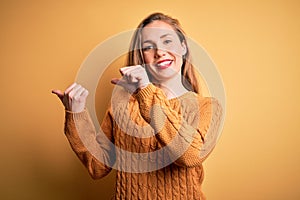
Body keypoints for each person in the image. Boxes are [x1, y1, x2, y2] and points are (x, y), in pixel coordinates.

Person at [52, 12, 222, 200]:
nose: (159, 52)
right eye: (149, 47)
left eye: (167, 41)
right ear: (142, 57)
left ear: (183, 47)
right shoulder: (123, 103)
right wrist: (76, 113)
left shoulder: (207, 107)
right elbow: (97, 166)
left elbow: (190, 156)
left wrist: (146, 91)